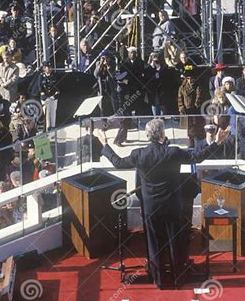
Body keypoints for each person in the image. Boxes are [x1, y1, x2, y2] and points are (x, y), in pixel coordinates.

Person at [94, 118, 231, 289]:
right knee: (176, 242)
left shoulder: (139, 154)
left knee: (154, 243)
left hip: (151, 207)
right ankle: (177, 278)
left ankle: (159, 280)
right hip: (172, 206)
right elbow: (198, 157)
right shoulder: (173, 152)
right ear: (162, 134)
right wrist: (217, 141)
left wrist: (104, 143)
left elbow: (118, 162)